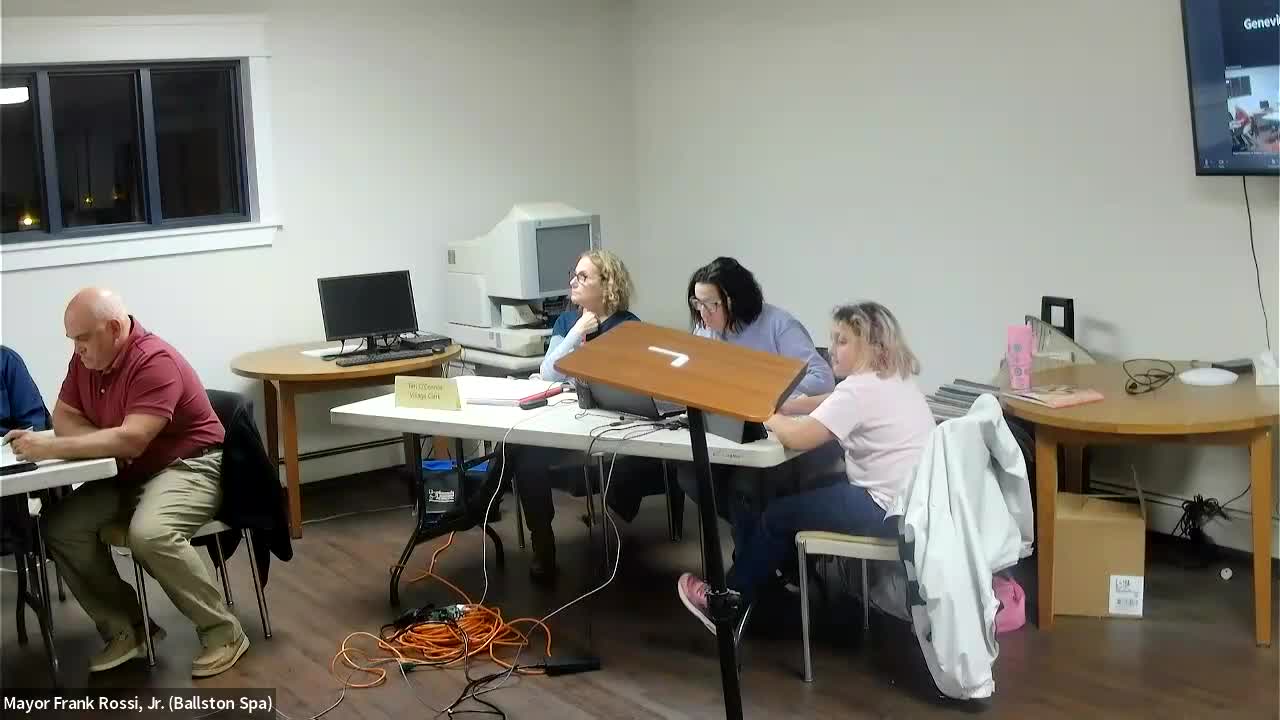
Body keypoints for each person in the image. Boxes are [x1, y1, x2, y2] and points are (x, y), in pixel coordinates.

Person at [5, 289, 247, 677]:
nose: (77, 348)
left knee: (150, 534)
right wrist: (106, 441)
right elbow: (64, 417)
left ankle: (224, 631)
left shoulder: (154, 361)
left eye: (83, 338)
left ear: (115, 328)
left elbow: (132, 439)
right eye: (72, 339)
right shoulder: (87, 359)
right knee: (61, 527)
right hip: (130, 471)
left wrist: (57, 447)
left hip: (190, 466)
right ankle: (129, 629)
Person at [676, 301, 934, 633]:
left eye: (842, 341)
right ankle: (766, 580)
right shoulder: (893, 379)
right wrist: (785, 405)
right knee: (791, 494)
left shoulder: (858, 391)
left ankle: (726, 603)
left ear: (870, 346)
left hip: (880, 509)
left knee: (777, 516)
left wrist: (763, 411)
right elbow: (830, 401)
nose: (832, 349)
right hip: (909, 507)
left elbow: (797, 438)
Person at [678, 257, 840, 557]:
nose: (703, 313)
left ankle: (753, 556)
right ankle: (762, 547)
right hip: (726, 432)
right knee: (691, 474)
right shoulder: (704, 331)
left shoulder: (778, 325)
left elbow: (822, 379)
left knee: (745, 484)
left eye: (711, 304)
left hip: (781, 438)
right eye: (697, 303)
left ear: (735, 300)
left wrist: (768, 397)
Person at [514, 250, 638, 580]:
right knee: (522, 453)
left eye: (583, 277)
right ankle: (543, 542)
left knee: (515, 450)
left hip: (605, 425)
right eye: (574, 274)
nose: (573, 282)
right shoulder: (567, 322)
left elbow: (614, 382)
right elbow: (549, 372)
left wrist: (570, 369)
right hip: (565, 418)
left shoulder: (627, 326)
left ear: (607, 285)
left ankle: (478, 501)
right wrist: (576, 332)